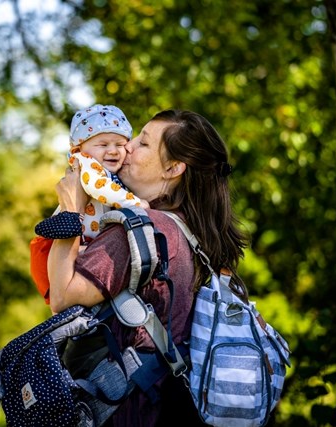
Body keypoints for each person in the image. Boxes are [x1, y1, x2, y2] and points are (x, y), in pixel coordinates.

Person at [47, 109, 249, 426]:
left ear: (172, 168)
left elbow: (62, 296)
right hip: (173, 407)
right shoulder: (196, 235)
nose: (126, 148)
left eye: (142, 143)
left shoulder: (140, 231)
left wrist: (70, 210)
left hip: (131, 411)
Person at [30, 104, 147, 304]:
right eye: (103, 145)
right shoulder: (86, 164)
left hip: (86, 239)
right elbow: (99, 187)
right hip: (67, 239)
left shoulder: (110, 171)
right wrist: (136, 203)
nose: (113, 151)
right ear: (79, 148)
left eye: (119, 144)